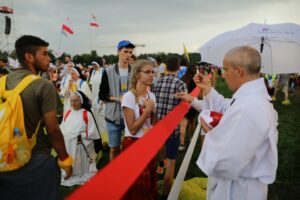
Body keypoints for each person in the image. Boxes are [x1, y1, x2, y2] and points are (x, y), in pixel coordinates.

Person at [193, 46, 278, 200]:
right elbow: (229, 107)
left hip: (238, 190)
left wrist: (211, 135)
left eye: (225, 69)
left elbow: (225, 160)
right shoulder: (248, 100)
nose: (223, 75)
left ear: (238, 71)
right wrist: (207, 89)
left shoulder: (250, 106)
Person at [0, 35, 73, 199]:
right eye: (45, 54)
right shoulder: (43, 85)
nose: (49, 58)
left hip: (4, 157)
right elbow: (53, 130)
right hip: (35, 161)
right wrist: (65, 160)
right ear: (29, 57)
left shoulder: (2, 81)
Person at [121, 59, 157, 199]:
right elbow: (133, 128)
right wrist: (148, 110)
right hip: (133, 143)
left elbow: (153, 123)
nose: (151, 75)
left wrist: (154, 114)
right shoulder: (129, 97)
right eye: (147, 72)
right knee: (137, 184)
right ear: (137, 75)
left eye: (153, 72)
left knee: (149, 182)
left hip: (148, 142)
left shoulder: (151, 96)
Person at [152, 56, 188, 199]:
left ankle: (155, 181)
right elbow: (185, 108)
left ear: (166, 67)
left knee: (157, 156)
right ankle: (166, 195)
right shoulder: (180, 85)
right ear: (179, 68)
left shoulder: (156, 83)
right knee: (172, 161)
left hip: (158, 126)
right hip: (173, 128)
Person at [99, 40, 135, 161]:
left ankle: (128, 172)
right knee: (114, 148)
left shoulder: (135, 71)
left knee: (131, 148)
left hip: (131, 116)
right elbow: (102, 95)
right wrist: (118, 99)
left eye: (130, 52)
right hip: (112, 117)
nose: (128, 55)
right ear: (118, 51)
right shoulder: (108, 71)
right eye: (125, 51)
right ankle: (114, 175)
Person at [60, 92, 99, 186]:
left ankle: (80, 173)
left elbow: (92, 132)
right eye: (72, 101)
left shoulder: (86, 114)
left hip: (81, 144)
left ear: (81, 101)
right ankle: (69, 172)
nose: (73, 103)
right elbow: (63, 128)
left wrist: (79, 136)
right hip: (68, 144)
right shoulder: (68, 113)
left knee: (79, 163)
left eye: (76, 101)